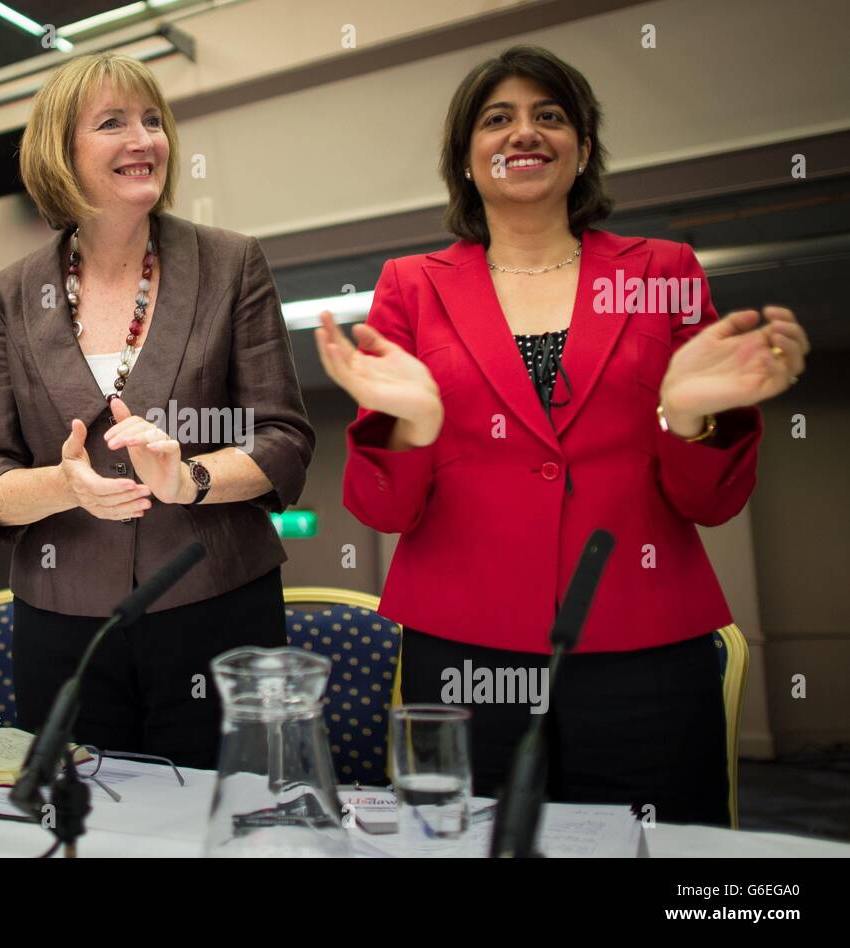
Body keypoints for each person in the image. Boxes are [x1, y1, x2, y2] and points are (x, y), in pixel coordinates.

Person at [316, 45, 809, 823]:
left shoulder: (663, 269)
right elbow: (384, 512)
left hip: (644, 646)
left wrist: (685, 417)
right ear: (466, 160)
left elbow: (712, 501)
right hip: (465, 649)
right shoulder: (411, 286)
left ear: (582, 151)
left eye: (550, 116)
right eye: (498, 119)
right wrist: (413, 425)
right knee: (475, 842)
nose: (525, 133)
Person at [0, 53, 314, 770]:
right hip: (63, 624)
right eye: (113, 122)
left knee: (231, 817)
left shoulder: (231, 262)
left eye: (152, 120)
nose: (143, 139)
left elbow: (283, 438)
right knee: (81, 821)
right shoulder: (3, 298)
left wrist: (193, 479)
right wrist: (64, 486)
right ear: (62, 152)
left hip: (217, 608)